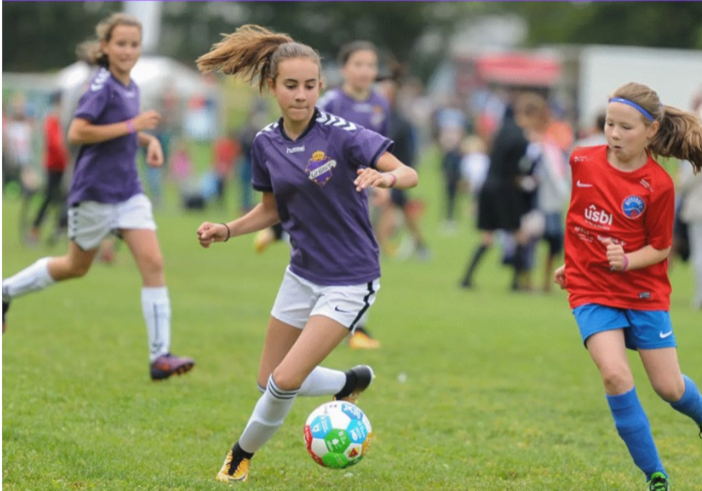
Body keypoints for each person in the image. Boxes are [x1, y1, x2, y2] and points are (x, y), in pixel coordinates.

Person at [194, 24, 418, 483]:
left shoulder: (342, 135)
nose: (301, 95)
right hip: (301, 274)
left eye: (310, 85)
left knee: (284, 381)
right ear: (272, 86)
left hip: (350, 279)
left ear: (321, 86)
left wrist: (386, 178)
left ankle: (239, 456)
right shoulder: (265, 142)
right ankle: (348, 382)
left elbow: (408, 172)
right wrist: (227, 230)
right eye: (291, 85)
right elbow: (271, 209)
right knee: (268, 380)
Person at [1, 13, 195, 380]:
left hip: (129, 190)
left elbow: (121, 131)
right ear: (105, 47)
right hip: (94, 192)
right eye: (120, 44)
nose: (127, 50)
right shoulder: (100, 85)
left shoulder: (130, 84)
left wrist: (147, 140)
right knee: (75, 267)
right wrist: (133, 125)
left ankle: (160, 357)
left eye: (134, 44)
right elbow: (77, 132)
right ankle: (5, 291)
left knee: (153, 262)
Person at [554, 82, 702, 491]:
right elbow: (580, 220)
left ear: (651, 131)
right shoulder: (581, 160)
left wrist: (626, 261)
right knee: (616, 376)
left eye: (626, 128)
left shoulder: (659, 185)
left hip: (644, 294)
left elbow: (661, 248)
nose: (614, 134)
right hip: (591, 290)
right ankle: (656, 475)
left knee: (669, 388)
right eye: (609, 124)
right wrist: (573, 264)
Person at [27, 91, 69, 245]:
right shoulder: (51, 120)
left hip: (66, 166)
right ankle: (35, 228)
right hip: (53, 166)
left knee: (68, 198)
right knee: (49, 197)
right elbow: (54, 143)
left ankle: (61, 228)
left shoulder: (67, 120)